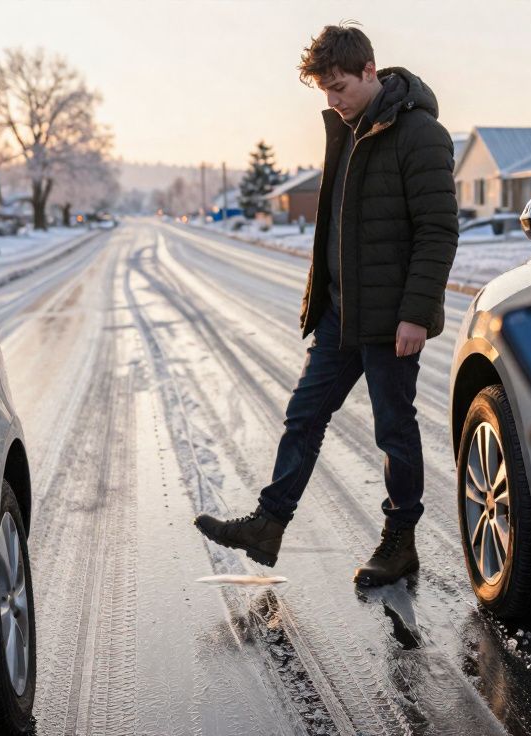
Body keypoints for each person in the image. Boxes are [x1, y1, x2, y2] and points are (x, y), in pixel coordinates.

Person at [194, 23, 458, 587]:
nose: (333, 101)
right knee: (304, 416)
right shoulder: (348, 129)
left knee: (394, 429)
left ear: (370, 71)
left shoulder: (420, 134)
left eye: (339, 87)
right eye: (325, 92)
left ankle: (400, 541)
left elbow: (438, 230)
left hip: (391, 320)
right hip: (342, 313)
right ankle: (269, 524)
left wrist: (415, 312)